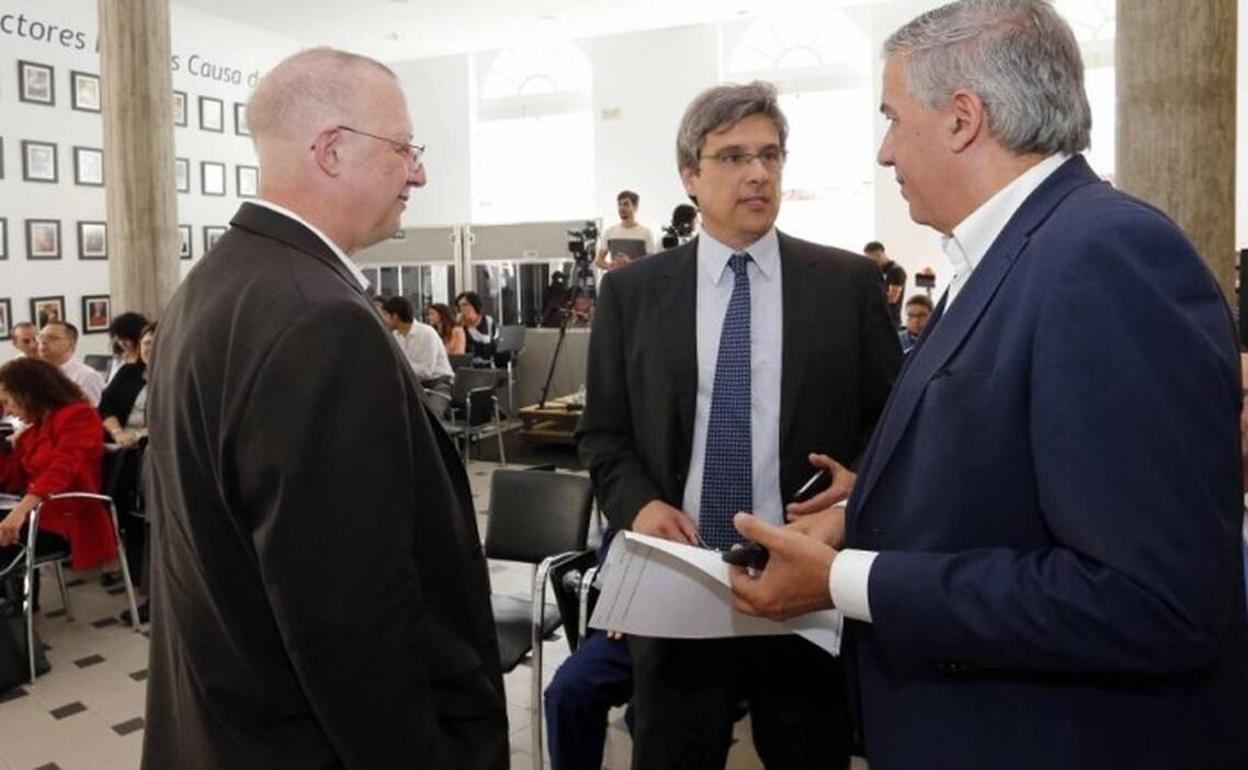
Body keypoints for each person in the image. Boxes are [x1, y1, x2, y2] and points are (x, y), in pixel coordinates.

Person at [728, 2, 1248, 768]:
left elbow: (1150, 600)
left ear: (963, 119)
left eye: (894, 119)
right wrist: (867, 508)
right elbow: (1033, 468)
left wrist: (845, 579)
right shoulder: (1019, 250)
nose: (882, 153)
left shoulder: (1104, 258)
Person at [141, 47, 508, 770]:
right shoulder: (319, 320)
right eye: (405, 147)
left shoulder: (215, 285)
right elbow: (350, 621)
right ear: (333, 150)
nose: (420, 171)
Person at [577, 81, 901, 770]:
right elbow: (603, 434)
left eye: (770, 155)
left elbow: (894, 425)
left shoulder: (844, 285)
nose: (757, 173)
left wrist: (854, 491)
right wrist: (639, 503)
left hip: (805, 589)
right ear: (691, 175)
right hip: (681, 586)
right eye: (731, 157)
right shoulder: (632, 293)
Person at [0, 358, 115, 593]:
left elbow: (61, 471)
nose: (8, 411)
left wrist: (20, 510)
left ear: (30, 393)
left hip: (67, 516)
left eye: (8, 402)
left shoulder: (78, 417)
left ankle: (14, 617)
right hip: (37, 513)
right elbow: (11, 479)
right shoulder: (35, 426)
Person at [98, 322, 156, 447]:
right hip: (116, 440)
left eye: (156, 343)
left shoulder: (175, 381)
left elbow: (168, 422)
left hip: (150, 445)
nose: (151, 348)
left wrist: (135, 436)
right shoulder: (128, 371)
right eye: (146, 343)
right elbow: (106, 405)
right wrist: (117, 432)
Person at [380, 295, 454, 388]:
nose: (382, 319)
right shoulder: (396, 335)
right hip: (415, 384)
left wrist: (398, 367)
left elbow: (426, 371)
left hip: (439, 383)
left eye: (385, 315)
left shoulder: (427, 333)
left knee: (433, 402)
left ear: (395, 316)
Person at [37, 321, 105, 407]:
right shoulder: (39, 373)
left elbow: (93, 414)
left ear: (70, 344)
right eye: (41, 337)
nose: (43, 342)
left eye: (52, 338)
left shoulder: (86, 377)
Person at [595, 190, 656, 271]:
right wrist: (611, 267)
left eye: (626, 204)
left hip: (639, 281)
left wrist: (630, 263)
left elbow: (651, 262)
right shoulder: (609, 232)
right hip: (616, 281)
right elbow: (599, 261)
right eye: (619, 204)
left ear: (635, 207)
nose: (621, 208)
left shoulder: (646, 233)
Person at [864, 240, 906, 326]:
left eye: (874, 258)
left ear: (881, 253)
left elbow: (892, 298)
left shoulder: (896, 271)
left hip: (891, 321)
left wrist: (869, 298)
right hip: (878, 319)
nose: (872, 262)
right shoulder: (879, 271)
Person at [455, 290, 498, 366]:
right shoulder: (459, 326)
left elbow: (495, 343)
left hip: (488, 363)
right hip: (468, 365)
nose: (462, 309)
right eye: (460, 306)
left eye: (465, 305)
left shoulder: (488, 321)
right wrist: (458, 327)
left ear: (474, 305)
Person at [106, 311, 149, 382]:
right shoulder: (118, 360)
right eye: (119, 339)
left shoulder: (147, 362)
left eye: (126, 339)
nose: (122, 343)